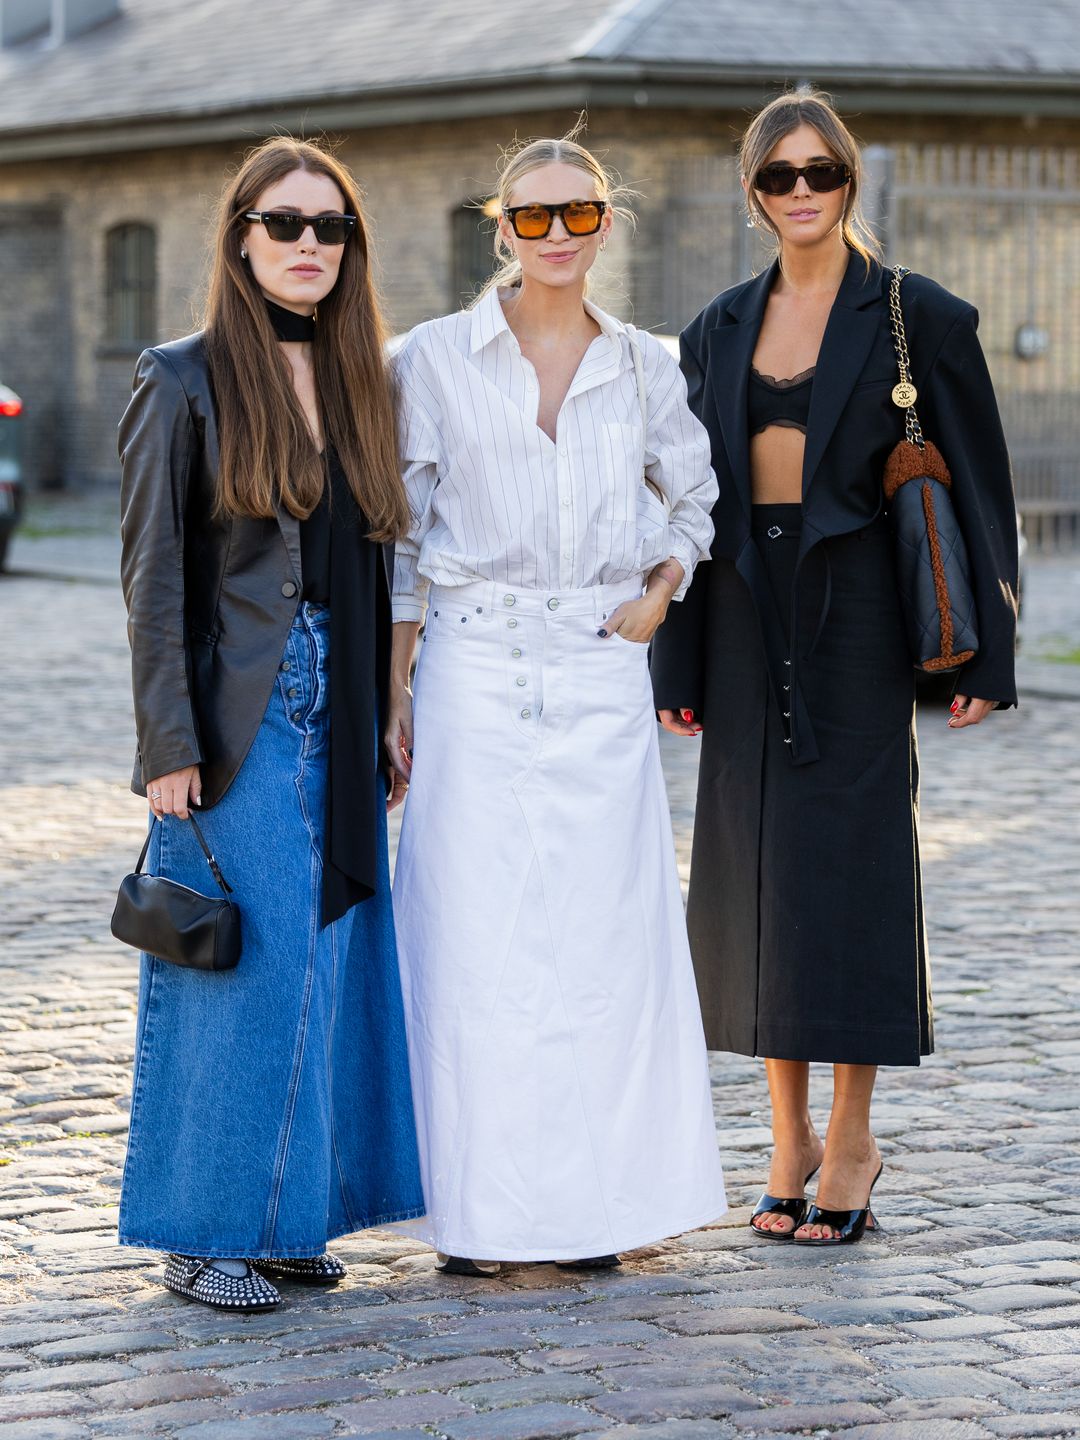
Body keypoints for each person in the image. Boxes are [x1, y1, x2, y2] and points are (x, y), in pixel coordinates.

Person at [652, 90, 1018, 1245]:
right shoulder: (713, 327)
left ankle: (854, 1139)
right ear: (753, 193)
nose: (802, 192)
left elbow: (982, 490)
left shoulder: (922, 316)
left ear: (849, 181)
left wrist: (989, 651)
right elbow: (681, 502)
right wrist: (678, 661)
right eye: (779, 177)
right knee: (755, 873)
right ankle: (788, 1135)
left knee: (852, 869)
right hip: (743, 612)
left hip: (858, 610)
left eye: (821, 173)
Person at [386, 128, 726, 1275]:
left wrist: (662, 591)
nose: (559, 235)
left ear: (605, 222)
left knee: (601, 945)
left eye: (580, 213)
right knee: (475, 943)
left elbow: (695, 499)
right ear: (502, 226)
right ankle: (478, 1217)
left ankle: (596, 1215)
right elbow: (400, 542)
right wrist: (398, 692)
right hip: (475, 667)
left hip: (597, 664)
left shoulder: (648, 363)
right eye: (534, 217)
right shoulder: (430, 359)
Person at [117, 136, 424, 1309]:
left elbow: (376, 560)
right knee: (238, 967)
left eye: (330, 227)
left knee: (329, 963)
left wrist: (390, 705)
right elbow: (150, 579)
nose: (309, 245)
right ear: (241, 238)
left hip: (345, 700)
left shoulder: (361, 381)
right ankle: (204, 1232)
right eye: (285, 224)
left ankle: (287, 1217)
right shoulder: (182, 377)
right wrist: (169, 748)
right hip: (241, 713)